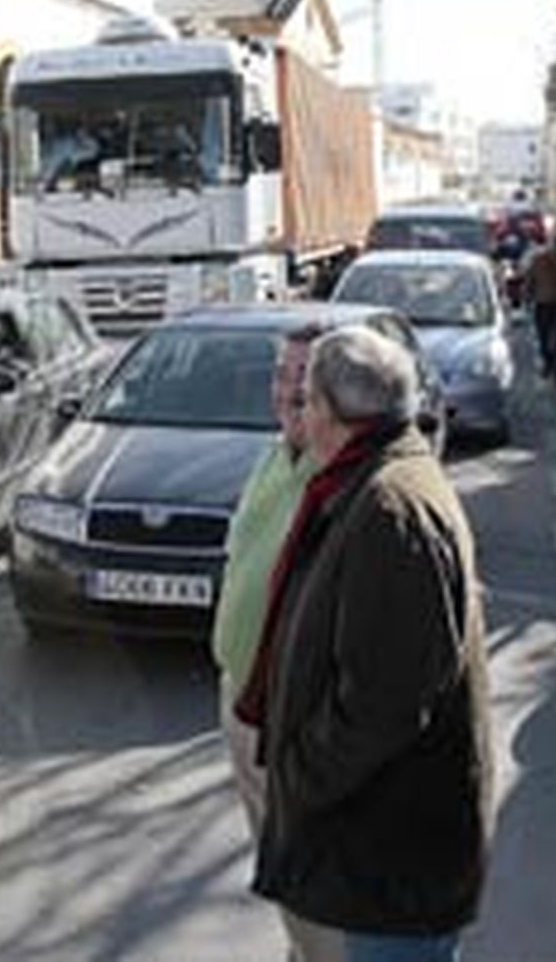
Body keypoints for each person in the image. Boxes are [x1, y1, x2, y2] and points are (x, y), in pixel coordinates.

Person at [240, 326, 492, 962]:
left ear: (333, 413)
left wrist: (297, 775)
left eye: (308, 403)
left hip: (386, 867)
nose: (301, 416)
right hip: (380, 858)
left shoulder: (389, 510)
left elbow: (384, 706)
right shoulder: (378, 478)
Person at [210, 323, 338, 962]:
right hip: (242, 695)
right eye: (281, 375)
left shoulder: (337, 478)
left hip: (290, 713)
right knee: (278, 854)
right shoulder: (274, 455)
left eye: (304, 380)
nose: (288, 392)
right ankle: (303, 950)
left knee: (304, 858)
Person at [523, 229, 556, 380]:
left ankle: (554, 365)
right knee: (550, 336)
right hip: (551, 302)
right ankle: (553, 365)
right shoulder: (552, 261)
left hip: (551, 302)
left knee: (552, 336)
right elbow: (531, 280)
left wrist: (527, 296)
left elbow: (530, 280)